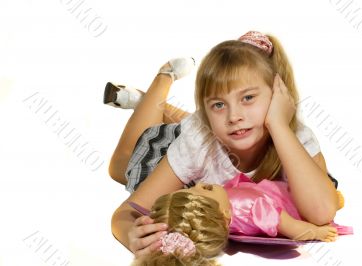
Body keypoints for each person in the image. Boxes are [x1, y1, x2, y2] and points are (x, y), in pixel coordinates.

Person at [109, 31, 341, 258]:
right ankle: (163, 79)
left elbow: (321, 213)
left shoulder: (295, 136)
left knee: (221, 123)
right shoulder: (196, 142)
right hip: (185, 142)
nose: (234, 116)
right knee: (120, 167)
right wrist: (131, 234)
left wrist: (278, 126)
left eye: (248, 98)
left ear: (277, 95)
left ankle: (151, 102)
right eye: (218, 104)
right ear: (206, 112)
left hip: (214, 131)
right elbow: (124, 214)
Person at [131, 173, 343, 266]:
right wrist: (315, 232)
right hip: (292, 200)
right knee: (328, 201)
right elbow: (289, 225)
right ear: (224, 216)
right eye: (204, 188)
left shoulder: (242, 203)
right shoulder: (252, 207)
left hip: (282, 191)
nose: (200, 182)